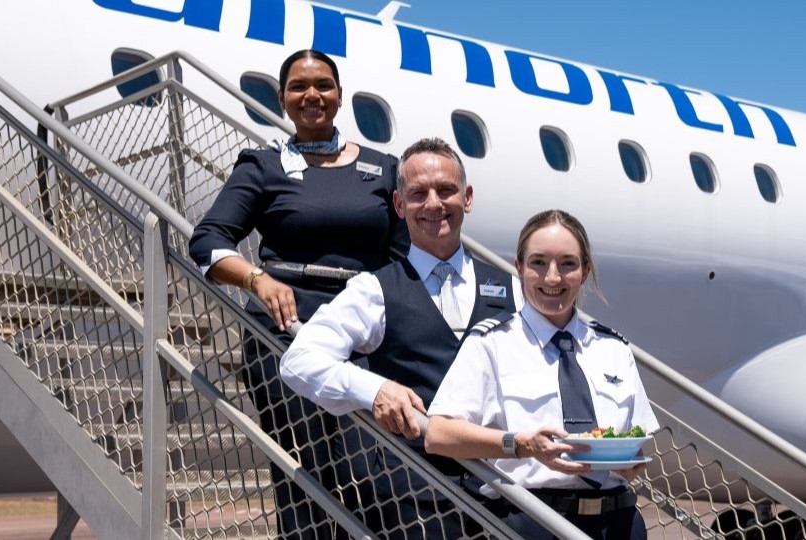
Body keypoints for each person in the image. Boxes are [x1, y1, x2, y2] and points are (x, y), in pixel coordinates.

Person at [188, 49, 407, 538]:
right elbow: (207, 241)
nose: (313, 95)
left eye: (324, 85)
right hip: (287, 330)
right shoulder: (262, 166)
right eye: (300, 87)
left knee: (374, 463)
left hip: (366, 331)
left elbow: (403, 255)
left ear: (339, 95)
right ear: (284, 99)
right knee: (306, 469)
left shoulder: (383, 167)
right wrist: (256, 279)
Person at [280, 137, 520, 538]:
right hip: (411, 505)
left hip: (502, 497)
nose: (433, 204)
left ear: (468, 197)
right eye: (417, 194)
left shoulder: (511, 289)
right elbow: (298, 361)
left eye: (446, 190)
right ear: (398, 205)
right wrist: (373, 390)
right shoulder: (373, 290)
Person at [425, 209, 659, 540]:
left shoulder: (614, 348)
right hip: (531, 521)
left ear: (585, 271)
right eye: (538, 263)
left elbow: (637, 448)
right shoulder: (492, 343)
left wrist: (630, 462)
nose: (553, 278)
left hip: (618, 524)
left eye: (568, 263)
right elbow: (438, 435)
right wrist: (520, 445)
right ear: (518, 268)